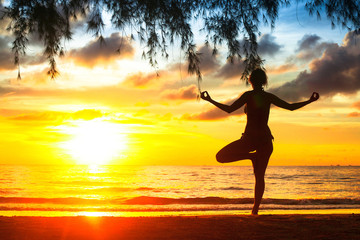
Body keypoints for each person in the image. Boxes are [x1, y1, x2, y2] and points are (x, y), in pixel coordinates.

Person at [200, 69, 319, 215]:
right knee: (259, 176)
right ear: (264, 81)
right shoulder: (267, 96)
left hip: (251, 139)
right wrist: (310, 100)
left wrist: (210, 100)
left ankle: (251, 160)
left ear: (250, 80)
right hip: (264, 140)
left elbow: (230, 109)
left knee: (221, 157)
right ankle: (255, 209)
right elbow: (290, 107)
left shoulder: (249, 96)